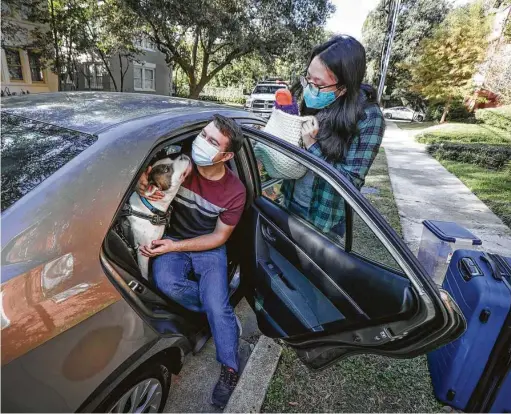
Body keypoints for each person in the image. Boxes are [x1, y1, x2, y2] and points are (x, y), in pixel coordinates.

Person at [137, 115, 246, 408]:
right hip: (172, 238)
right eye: (204, 134)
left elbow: (219, 238)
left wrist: (176, 245)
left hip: (208, 245)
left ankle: (230, 366)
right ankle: (218, 315)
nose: (202, 143)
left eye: (212, 141)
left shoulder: (234, 191)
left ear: (226, 155)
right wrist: (141, 180)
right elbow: (146, 178)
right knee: (166, 283)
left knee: (216, 302)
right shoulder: (179, 161)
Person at [282, 35, 385, 237]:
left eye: (318, 83)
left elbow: (349, 183)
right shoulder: (317, 97)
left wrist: (313, 146)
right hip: (291, 199)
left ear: (343, 87)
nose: (310, 88)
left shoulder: (369, 118)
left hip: (323, 219)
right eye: (308, 78)